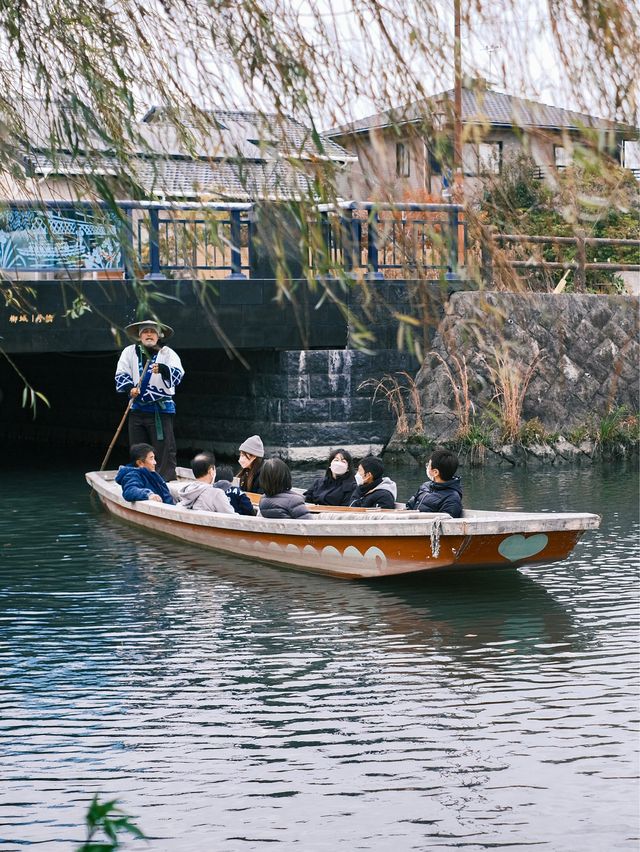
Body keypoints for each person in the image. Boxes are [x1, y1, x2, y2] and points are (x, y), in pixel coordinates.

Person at [115, 320, 184, 482]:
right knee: (137, 448)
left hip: (160, 410)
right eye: (145, 332)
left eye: (152, 332)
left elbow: (177, 374)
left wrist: (164, 370)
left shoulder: (168, 354)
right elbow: (121, 373)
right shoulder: (129, 352)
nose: (149, 334)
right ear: (139, 336)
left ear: (158, 335)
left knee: (164, 450)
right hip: (137, 408)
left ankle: (163, 481)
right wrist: (130, 388)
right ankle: (138, 479)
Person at [405, 447, 463, 518]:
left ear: (435, 472)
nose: (427, 468)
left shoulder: (452, 498)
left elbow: (446, 524)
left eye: (428, 465)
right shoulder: (425, 486)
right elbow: (409, 507)